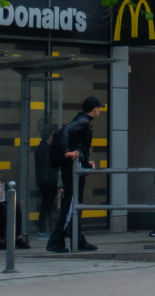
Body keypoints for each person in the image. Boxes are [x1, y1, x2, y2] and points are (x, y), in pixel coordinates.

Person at [47, 97, 101, 253]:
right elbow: (66, 130)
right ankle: (55, 241)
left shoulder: (83, 121)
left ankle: (77, 239)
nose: (99, 111)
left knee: (75, 205)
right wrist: (66, 152)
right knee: (71, 205)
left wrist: (86, 161)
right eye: (99, 108)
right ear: (95, 109)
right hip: (72, 168)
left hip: (75, 166)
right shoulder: (83, 121)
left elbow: (79, 144)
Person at [34, 125, 59, 237]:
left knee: (46, 205)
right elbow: (49, 166)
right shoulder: (46, 149)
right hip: (48, 181)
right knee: (47, 205)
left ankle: (44, 228)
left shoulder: (41, 148)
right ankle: (42, 229)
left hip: (44, 180)